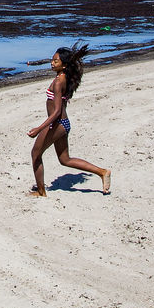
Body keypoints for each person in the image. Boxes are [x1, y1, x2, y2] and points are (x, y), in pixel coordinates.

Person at [26, 42, 111, 197]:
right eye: (52, 60)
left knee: (36, 154)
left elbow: (57, 111)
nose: (52, 63)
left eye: (56, 61)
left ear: (64, 65)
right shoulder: (63, 78)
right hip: (63, 124)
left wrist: (39, 128)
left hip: (57, 124)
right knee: (65, 159)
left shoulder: (59, 82)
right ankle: (102, 172)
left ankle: (41, 192)